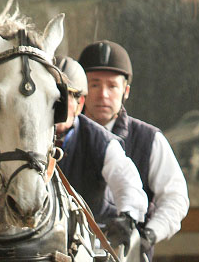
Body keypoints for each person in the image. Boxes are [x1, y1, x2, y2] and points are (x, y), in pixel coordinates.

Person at [77, 40, 189, 253]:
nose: (103, 94)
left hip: (129, 258)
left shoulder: (149, 139)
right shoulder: (62, 136)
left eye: (112, 86)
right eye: (94, 84)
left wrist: (148, 235)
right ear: (81, 90)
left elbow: (175, 198)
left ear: (125, 91)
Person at [54, 57, 147, 251]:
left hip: (91, 241)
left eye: (66, 97)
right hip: (39, 242)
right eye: (51, 96)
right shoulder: (26, 137)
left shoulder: (101, 141)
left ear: (80, 104)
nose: (57, 105)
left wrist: (127, 219)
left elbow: (127, 181)